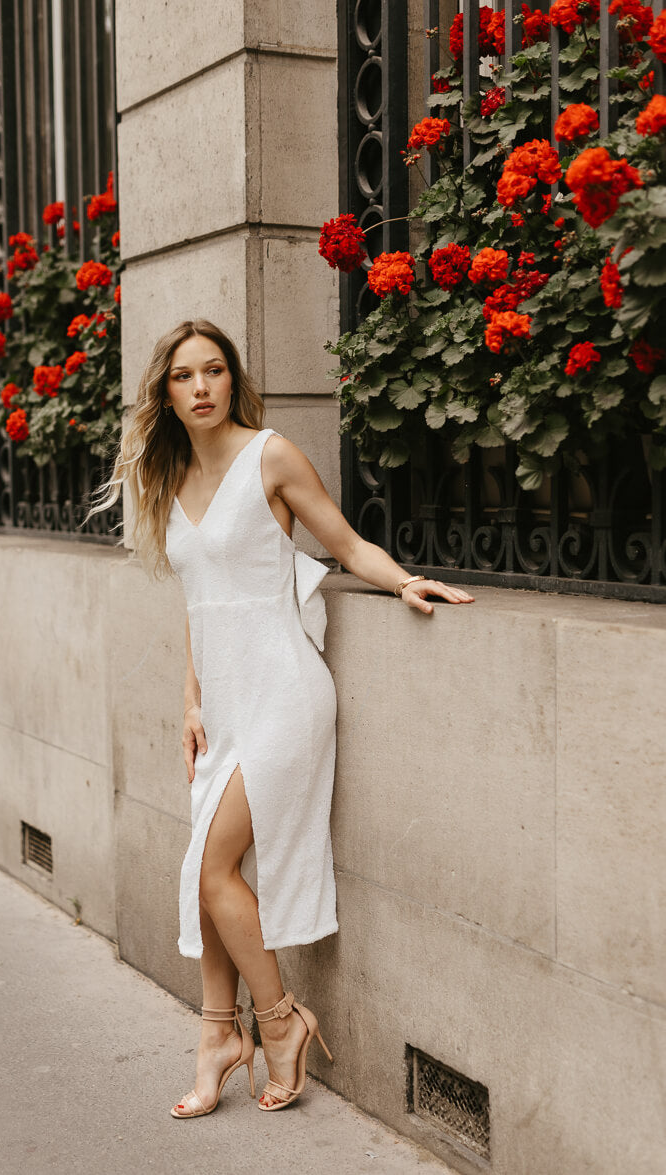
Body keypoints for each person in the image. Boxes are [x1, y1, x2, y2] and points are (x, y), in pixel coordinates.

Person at [93, 318, 474, 1118]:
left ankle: (278, 1021)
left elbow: (341, 541)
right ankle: (216, 1037)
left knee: (211, 869)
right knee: (204, 867)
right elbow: (199, 605)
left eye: (213, 371)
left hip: (286, 692)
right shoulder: (167, 481)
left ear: (233, 379)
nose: (200, 387)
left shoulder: (269, 455)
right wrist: (192, 699)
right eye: (182, 377)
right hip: (225, 702)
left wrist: (405, 581)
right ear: (164, 393)